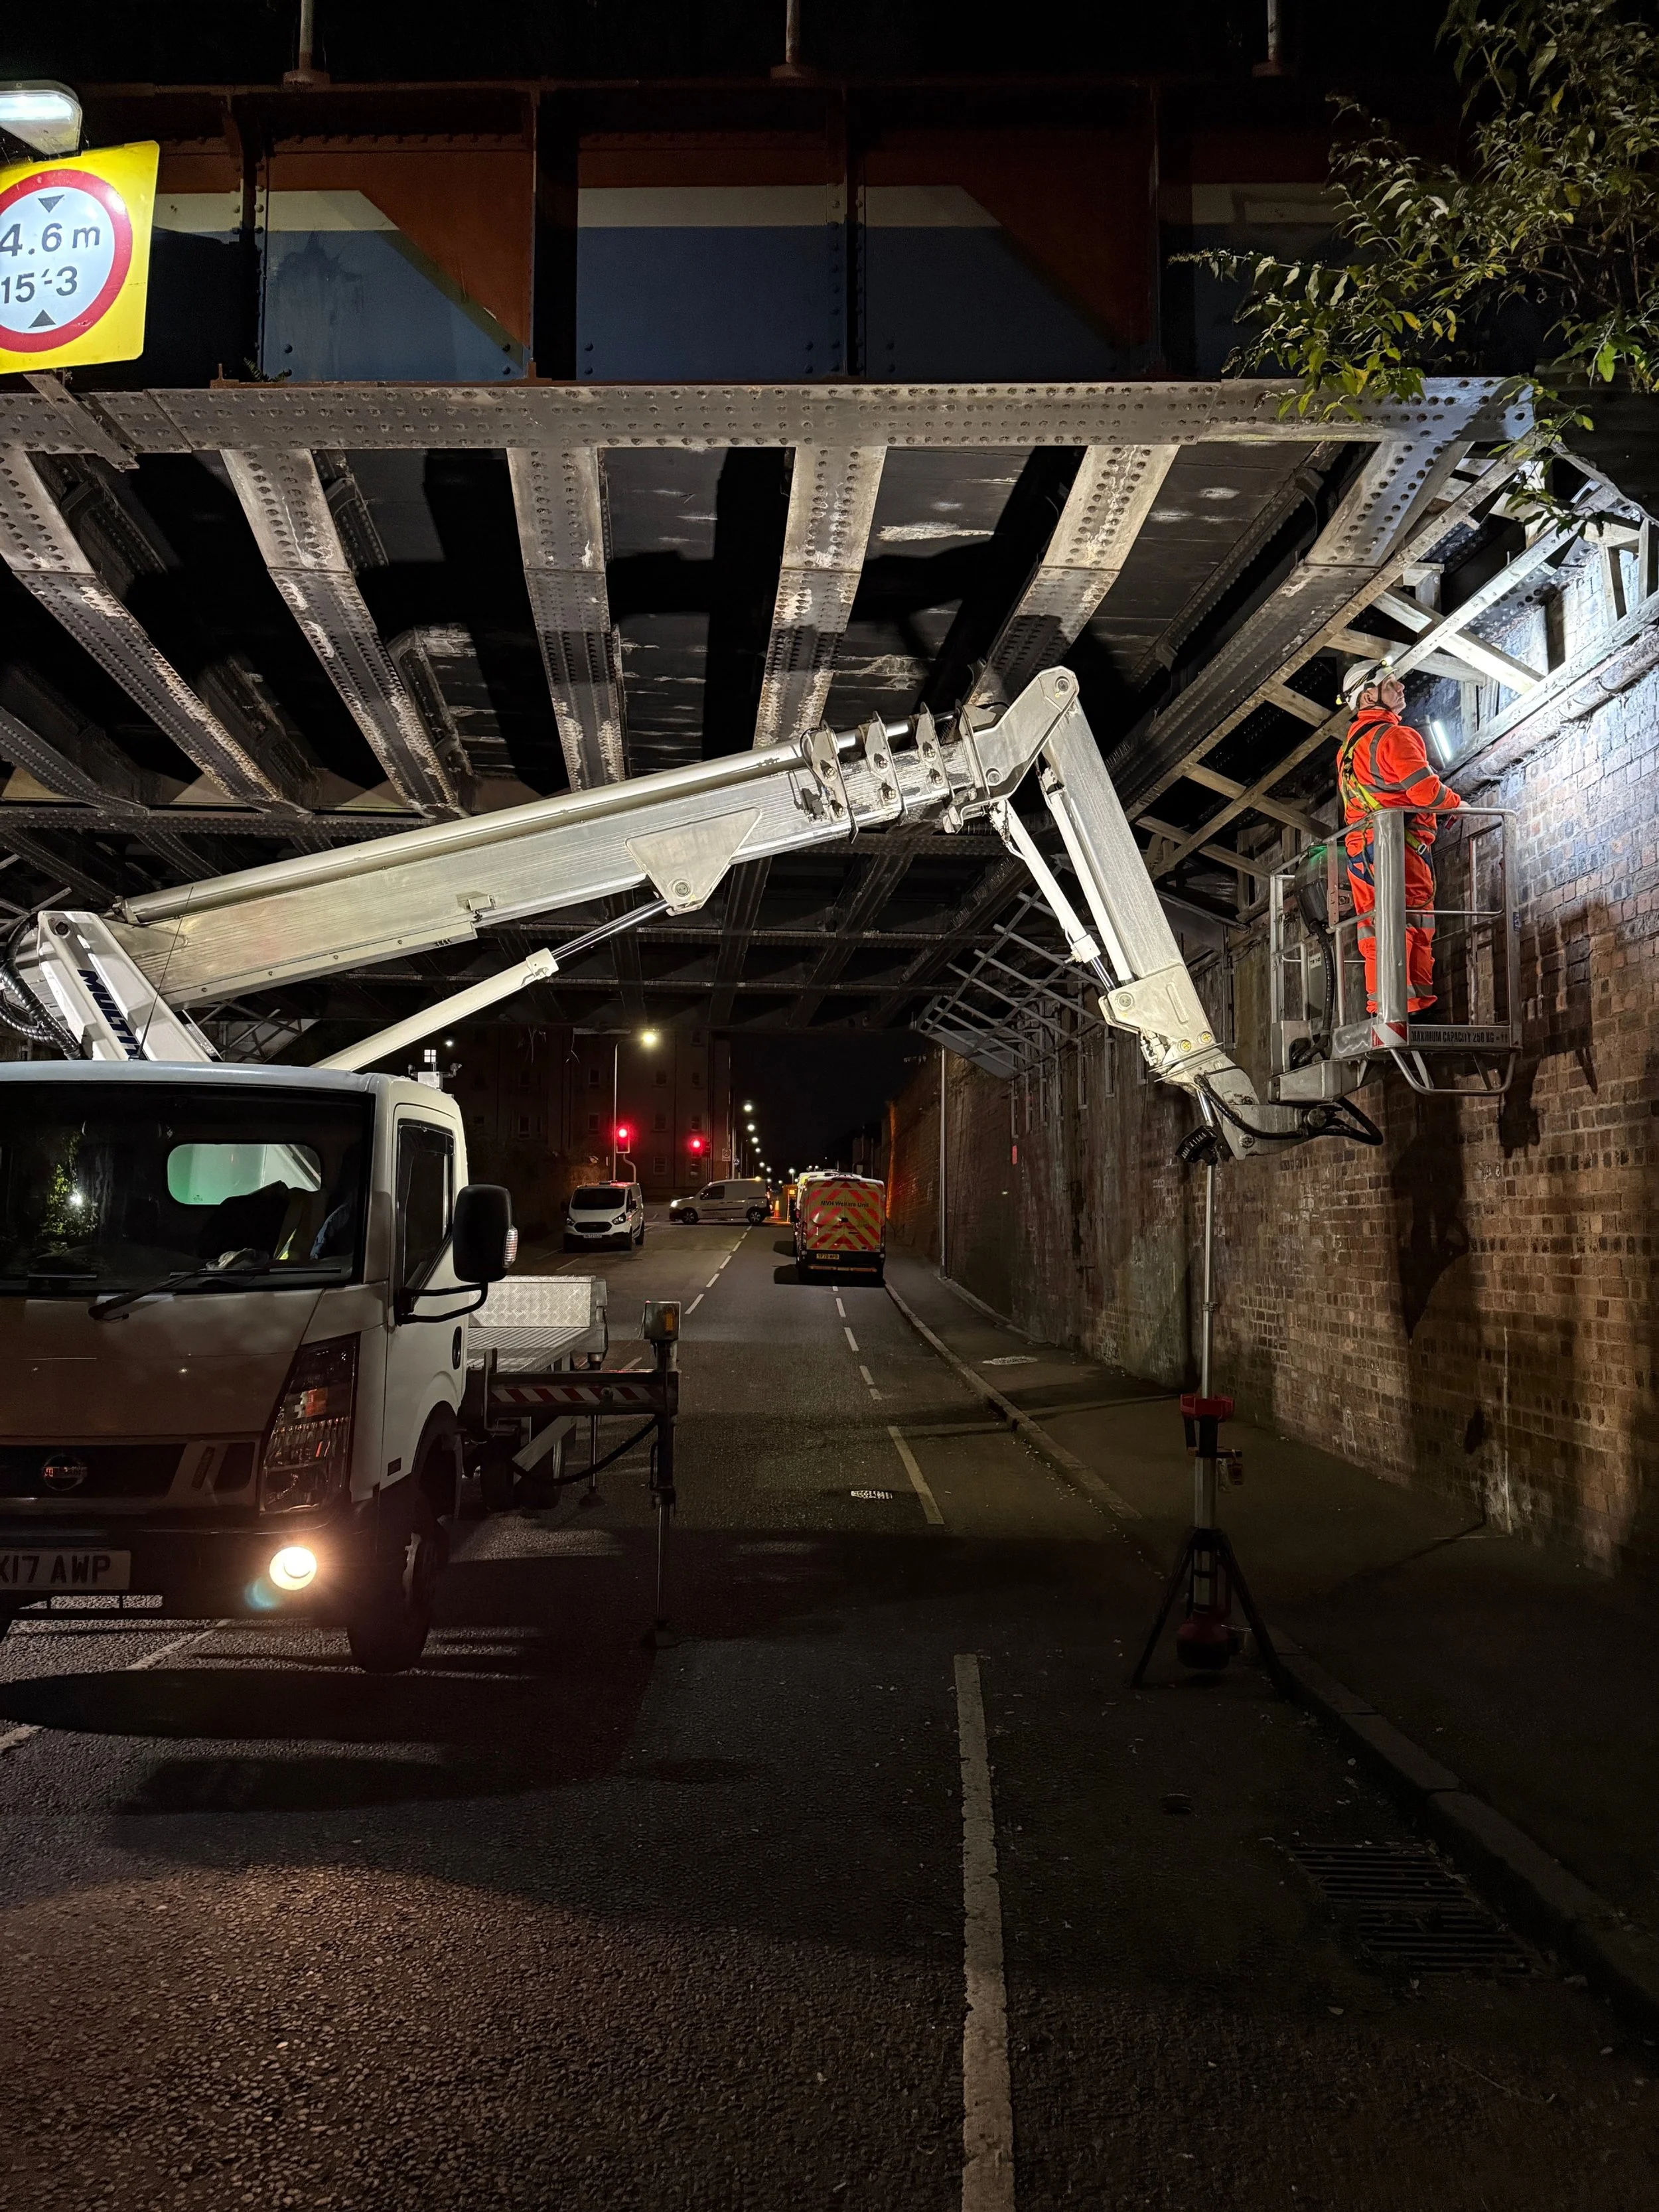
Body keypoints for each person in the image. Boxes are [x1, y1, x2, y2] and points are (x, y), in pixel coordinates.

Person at [1336, 659, 1461, 1014]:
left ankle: (1382, 1007)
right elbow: (1428, 795)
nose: (1401, 688)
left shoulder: (1347, 751)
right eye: (1391, 683)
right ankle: (1416, 1007)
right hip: (1397, 848)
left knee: (1376, 928)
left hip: (1360, 851)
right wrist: (1458, 805)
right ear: (1368, 696)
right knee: (1414, 922)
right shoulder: (1397, 737)